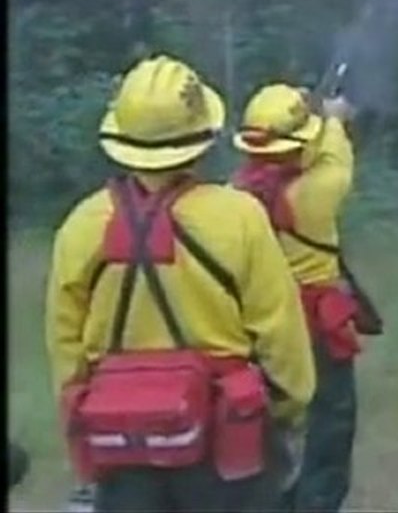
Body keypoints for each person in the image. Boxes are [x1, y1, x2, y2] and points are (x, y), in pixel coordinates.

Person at [46, 55, 316, 513]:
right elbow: (280, 335)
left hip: (122, 447)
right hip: (227, 445)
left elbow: (66, 348)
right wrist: (287, 410)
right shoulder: (240, 217)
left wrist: (83, 420)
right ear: (202, 139)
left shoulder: (81, 225)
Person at [231, 83, 381, 512]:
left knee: (268, 432)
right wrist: (333, 118)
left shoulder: (234, 195)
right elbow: (337, 157)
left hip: (259, 326)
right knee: (329, 429)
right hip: (314, 324)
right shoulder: (317, 191)